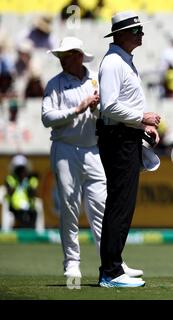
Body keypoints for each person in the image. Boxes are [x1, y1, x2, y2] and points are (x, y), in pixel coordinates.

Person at [41, 36, 142, 281]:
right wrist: (78, 108)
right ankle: (72, 263)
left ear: (77, 56)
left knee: (102, 207)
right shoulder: (55, 84)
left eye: (67, 55)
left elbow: (105, 112)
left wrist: (95, 106)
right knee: (69, 207)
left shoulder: (95, 79)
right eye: (62, 56)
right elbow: (47, 118)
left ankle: (111, 262)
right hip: (65, 149)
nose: (63, 60)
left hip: (93, 150)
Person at [97, 11, 161, 288]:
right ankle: (110, 272)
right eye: (135, 31)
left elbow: (120, 105)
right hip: (118, 139)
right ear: (120, 35)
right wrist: (141, 118)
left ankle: (116, 262)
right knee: (119, 204)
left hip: (126, 136)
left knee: (123, 203)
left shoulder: (122, 61)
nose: (141, 34)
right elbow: (108, 106)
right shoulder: (113, 63)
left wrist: (141, 126)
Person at [4, 154, 39, 228]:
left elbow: (34, 193)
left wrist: (29, 186)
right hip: (15, 208)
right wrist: (16, 185)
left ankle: (32, 233)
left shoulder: (30, 180)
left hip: (29, 207)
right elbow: (9, 192)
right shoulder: (11, 179)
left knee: (34, 213)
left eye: (23, 169)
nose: (22, 172)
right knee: (21, 218)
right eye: (19, 170)